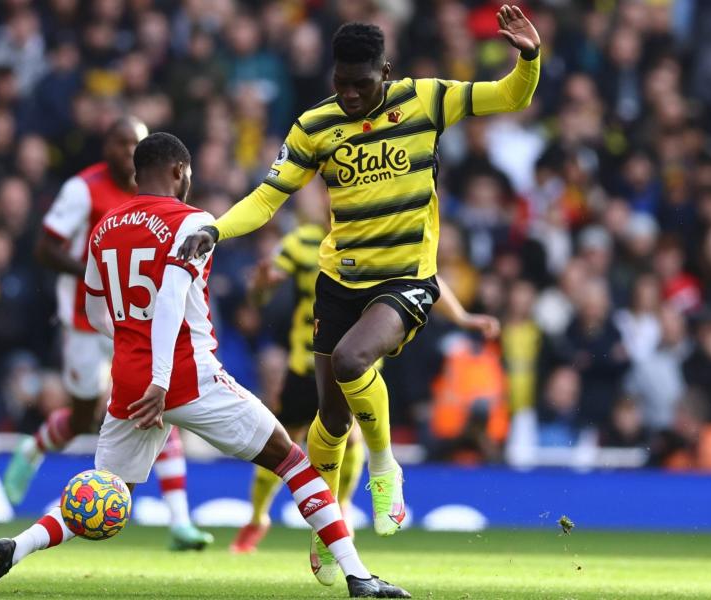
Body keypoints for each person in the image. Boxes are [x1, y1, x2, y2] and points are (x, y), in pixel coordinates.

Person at [0, 133, 410, 598]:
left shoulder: (104, 228)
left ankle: (16, 547)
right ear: (180, 172)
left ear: (137, 173)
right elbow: (172, 296)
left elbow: (95, 311)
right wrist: (161, 376)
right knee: (292, 461)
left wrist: (135, 351)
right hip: (186, 374)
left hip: (130, 380)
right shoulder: (193, 222)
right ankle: (359, 576)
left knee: (108, 492)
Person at [178, 3, 536, 563]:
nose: (348, 95)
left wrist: (529, 59)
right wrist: (217, 230)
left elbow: (510, 95)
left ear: (385, 74)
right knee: (329, 419)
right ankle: (328, 526)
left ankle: (385, 468)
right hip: (339, 280)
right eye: (340, 84)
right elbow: (270, 197)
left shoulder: (426, 99)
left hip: (406, 279)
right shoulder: (315, 126)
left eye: (360, 85)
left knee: (351, 362)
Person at [2, 116, 213, 551]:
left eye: (132, 144)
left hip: (142, 321)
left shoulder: (158, 200)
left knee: (159, 398)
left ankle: (179, 521)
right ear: (109, 149)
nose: (124, 151)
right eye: (118, 143)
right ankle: (33, 448)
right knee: (83, 419)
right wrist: (97, 274)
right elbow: (45, 249)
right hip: (88, 317)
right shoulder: (84, 189)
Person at [230, 206, 367, 556]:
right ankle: (258, 517)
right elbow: (261, 294)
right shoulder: (302, 240)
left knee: (350, 439)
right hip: (304, 363)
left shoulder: (369, 242)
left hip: (351, 364)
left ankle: (344, 506)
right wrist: (261, 286)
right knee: (281, 443)